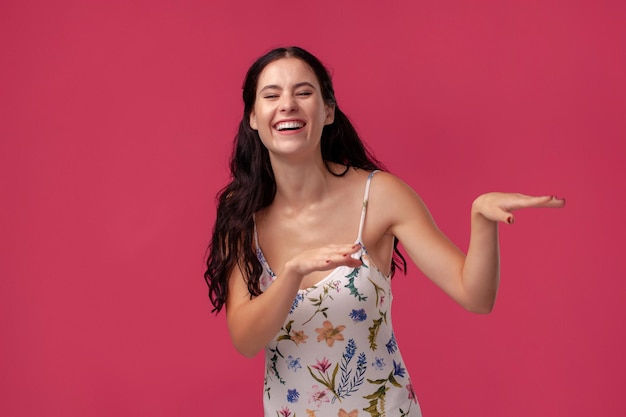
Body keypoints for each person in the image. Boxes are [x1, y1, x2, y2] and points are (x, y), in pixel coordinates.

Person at [204, 46, 565, 417]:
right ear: (253, 117)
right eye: (271, 95)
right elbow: (246, 340)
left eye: (303, 92)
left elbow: (476, 296)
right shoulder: (241, 212)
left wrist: (481, 221)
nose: (287, 104)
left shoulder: (379, 196)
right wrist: (292, 273)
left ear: (328, 111)